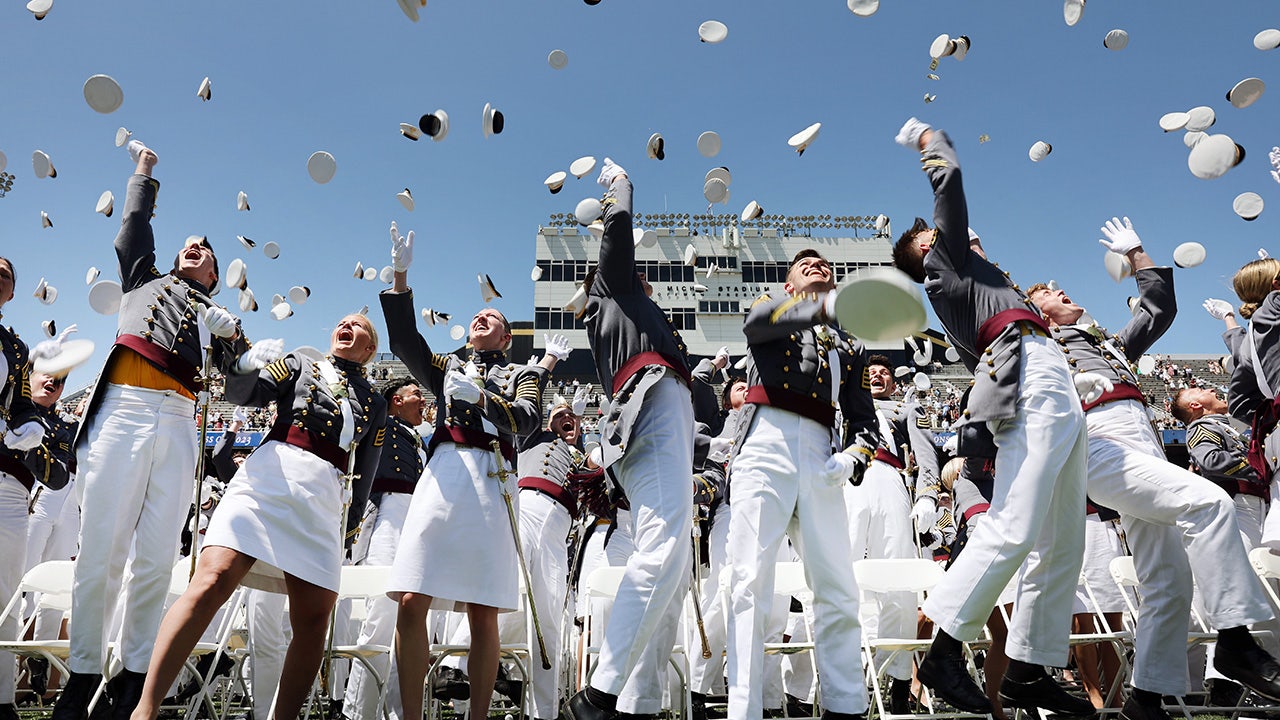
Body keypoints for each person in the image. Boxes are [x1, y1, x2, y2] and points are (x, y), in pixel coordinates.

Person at [1029, 231, 1280, 720]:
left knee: (1168, 578)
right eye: (1049, 292)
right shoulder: (1037, 344)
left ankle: (1146, 700)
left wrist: (1136, 254)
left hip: (1139, 441)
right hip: (1097, 440)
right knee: (1209, 504)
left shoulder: (1105, 342)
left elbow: (1159, 309)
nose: (1062, 290)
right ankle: (1234, 640)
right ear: (1036, 311)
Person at [890, 118, 1090, 717]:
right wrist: (934, 146)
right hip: (1026, 366)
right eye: (933, 239)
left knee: (1063, 536)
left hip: (1044, 364)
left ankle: (1030, 665)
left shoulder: (976, 275)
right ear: (927, 256)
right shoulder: (945, 272)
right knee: (1016, 522)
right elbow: (949, 187)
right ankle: (945, 653)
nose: (949, 237)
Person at [54, 142, 249, 720]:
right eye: (190, 244)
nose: (197, 249)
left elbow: (240, 390)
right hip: (127, 406)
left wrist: (234, 343)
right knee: (102, 547)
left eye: (207, 253)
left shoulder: (221, 319)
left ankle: (133, 675)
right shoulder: (144, 277)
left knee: (158, 558)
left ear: (215, 276)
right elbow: (133, 227)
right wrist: (143, 172)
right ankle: (85, 669)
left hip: (181, 418)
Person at [128, 314, 386, 720]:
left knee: (315, 616)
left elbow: (366, 469)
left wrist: (349, 525)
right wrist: (242, 365)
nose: (346, 326)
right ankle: (144, 708)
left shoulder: (376, 399)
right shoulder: (300, 363)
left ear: (370, 349)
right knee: (212, 579)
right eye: (342, 322)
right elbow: (250, 395)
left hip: (323, 492)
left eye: (359, 327)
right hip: (269, 475)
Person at [380, 221, 546, 720]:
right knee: (411, 597)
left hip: (494, 475)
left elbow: (527, 420)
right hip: (445, 469)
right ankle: (410, 715)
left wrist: (489, 400)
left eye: (491, 317)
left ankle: (477, 716)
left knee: (482, 608)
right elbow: (407, 341)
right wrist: (402, 281)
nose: (480, 319)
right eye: (477, 315)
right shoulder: (448, 365)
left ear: (506, 337)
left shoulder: (523, 374)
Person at [565, 159, 696, 720]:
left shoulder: (636, 308)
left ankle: (635, 703)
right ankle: (600, 694)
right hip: (650, 411)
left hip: (663, 417)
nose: (643, 278)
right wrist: (621, 187)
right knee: (664, 551)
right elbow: (617, 238)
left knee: (672, 564)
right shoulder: (613, 290)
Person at [725, 247, 879, 720]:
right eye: (804, 264)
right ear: (789, 285)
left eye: (824, 265)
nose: (818, 265)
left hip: (820, 454)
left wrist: (854, 457)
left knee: (836, 584)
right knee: (748, 580)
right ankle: (744, 709)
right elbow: (756, 325)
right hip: (764, 443)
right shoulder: (772, 309)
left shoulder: (850, 345)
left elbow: (864, 422)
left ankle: (845, 706)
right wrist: (818, 305)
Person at [854, 354, 940, 713]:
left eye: (883, 373)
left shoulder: (904, 411)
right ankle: (840, 680)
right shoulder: (843, 404)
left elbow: (926, 453)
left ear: (892, 382)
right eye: (869, 373)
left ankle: (900, 682)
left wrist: (927, 496)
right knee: (842, 577)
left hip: (889, 476)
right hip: (846, 475)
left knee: (900, 582)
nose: (876, 376)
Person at [343, 378, 427, 720]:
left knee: (408, 623)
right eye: (417, 393)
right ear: (396, 400)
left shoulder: (419, 438)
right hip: (386, 512)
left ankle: (397, 712)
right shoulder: (381, 422)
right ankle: (358, 712)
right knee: (380, 613)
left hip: (415, 516)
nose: (424, 400)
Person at [21, 332, 87, 702]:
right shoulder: (15, 412)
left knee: (55, 588)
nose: (53, 383)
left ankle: (42, 677)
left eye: (61, 380)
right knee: (21, 582)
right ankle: (17, 671)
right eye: (46, 374)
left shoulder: (65, 426)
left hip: (68, 498)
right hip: (33, 496)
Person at [0, 256, 51, 720]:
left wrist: (28, 424)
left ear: (12, 292)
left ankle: (1, 697)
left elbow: (18, 407)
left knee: (7, 593)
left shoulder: (16, 349)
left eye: (5, 272)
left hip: (4, 483)